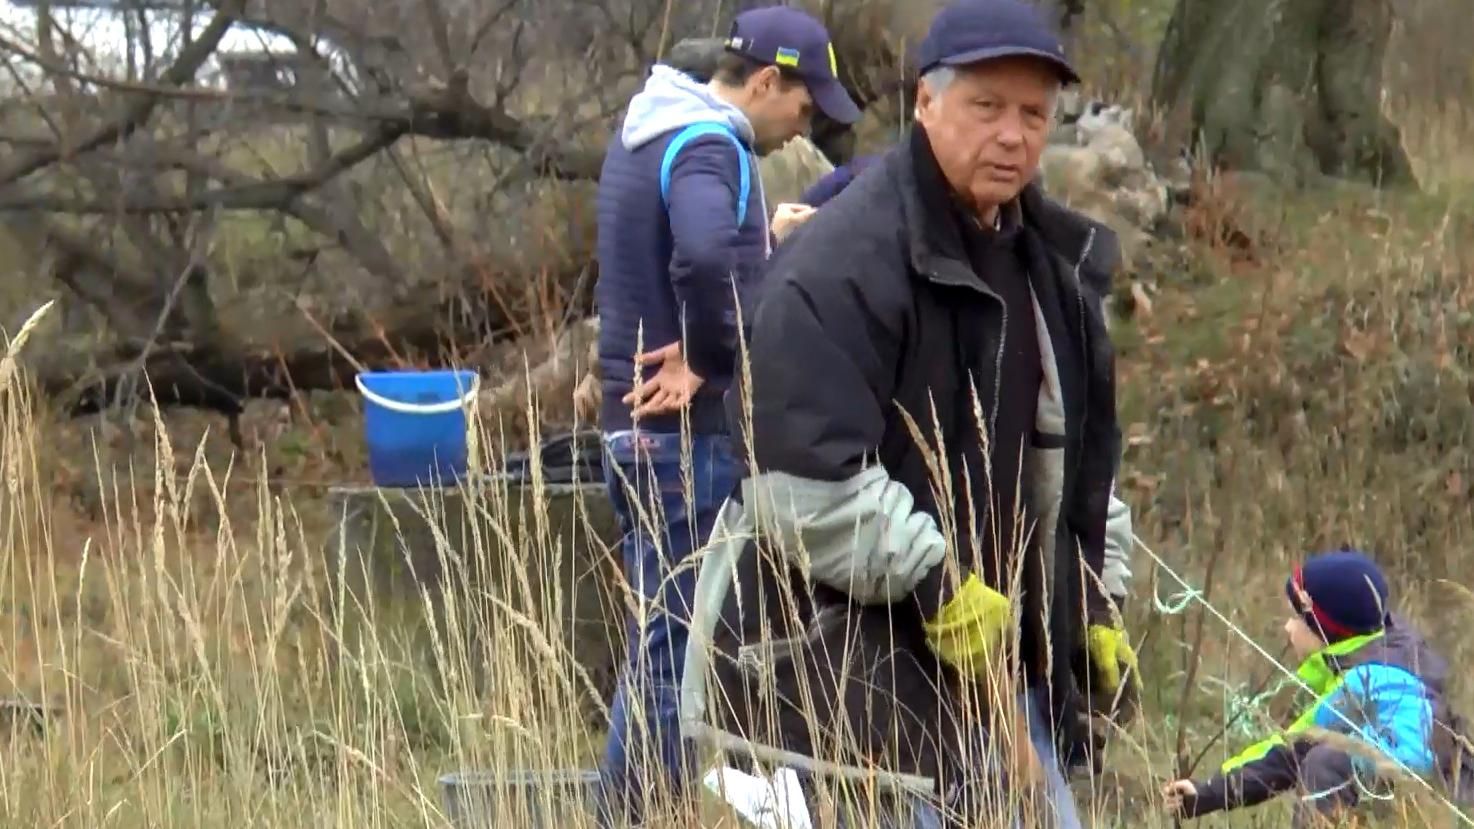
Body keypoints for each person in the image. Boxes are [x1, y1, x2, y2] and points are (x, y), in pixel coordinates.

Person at [679, 1, 1140, 826]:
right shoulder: (838, 265)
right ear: (926, 101)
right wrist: (939, 588)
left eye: (1033, 114)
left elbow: (1076, 460)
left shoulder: (1051, 269)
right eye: (986, 107)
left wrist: (1094, 597)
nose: (1012, 135)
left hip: (1008, 679)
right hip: (853, 683)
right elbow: (802, 482)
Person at [592, 5, 859, 823]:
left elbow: (680, 248)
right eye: (803, 108)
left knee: (660, 638)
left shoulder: (650, 129)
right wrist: (708, 360)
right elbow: (705, 256)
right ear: (766, 82)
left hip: (630, 430)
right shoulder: (713, 144)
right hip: (684, 438)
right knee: (678, 653)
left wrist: (763, 240)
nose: (801, 129)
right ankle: (631, 813)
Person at [1163, 549, 1474, 826]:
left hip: (1409, 789)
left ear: (1325, 628)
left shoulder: (1358, 683)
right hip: (1451, 788)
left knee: (1325, 763)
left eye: (1296, 618)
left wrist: (1209, 793)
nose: (1287, 626)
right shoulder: (1399, 651)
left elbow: (1287, 752)